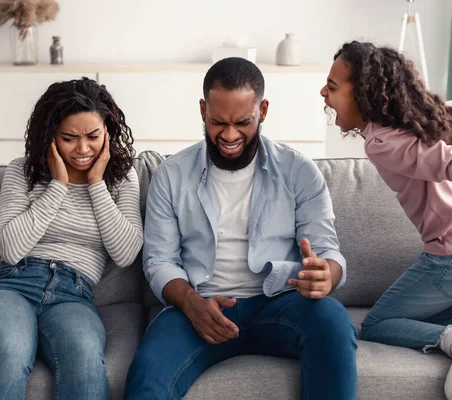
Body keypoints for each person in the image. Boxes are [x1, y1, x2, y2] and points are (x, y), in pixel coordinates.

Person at [125, 57, 357, 400]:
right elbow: (159, 261)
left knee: (334, 323)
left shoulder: (299, 172)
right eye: (217, 122)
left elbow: (327, 252)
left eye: (242, 122)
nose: (229, 135)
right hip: (199, 307)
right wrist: (191, 303)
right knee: (147, 378)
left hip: (279, 303)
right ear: (203, 110)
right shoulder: (171, 175)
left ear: (262, 110)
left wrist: (328, 274)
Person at [0, 77, 144, 400]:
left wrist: (96, 184)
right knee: (9, 353)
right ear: (50, 136)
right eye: (69, 138)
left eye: (92, 136)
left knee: (85, 361)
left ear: (108, 132)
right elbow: (11, 248)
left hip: (73, 294)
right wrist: (58, 186)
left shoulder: (122, 176)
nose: (82, 149)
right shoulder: (23, 172)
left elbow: (126, 252)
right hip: (13, 285)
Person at [320, 40, 452, 398]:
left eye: (332, 87)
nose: (323, 93)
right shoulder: (421, 119)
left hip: (446, 260)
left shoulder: (381, 141)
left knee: (376, 325)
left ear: (363, 93)